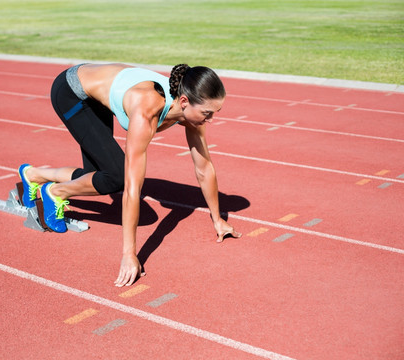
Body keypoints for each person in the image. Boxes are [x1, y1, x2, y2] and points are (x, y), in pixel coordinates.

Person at [18, 63, 241, 287]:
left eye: (215, 113)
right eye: (207, 113)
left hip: (97, 92)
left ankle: (34, 175)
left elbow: (204, 168)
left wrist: (218, 219)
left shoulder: (191, 111)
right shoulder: (146, 111)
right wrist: (129, 254)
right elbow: (132, 189)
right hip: (71, 92)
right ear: (184, 102)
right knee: (116, 176)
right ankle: (55, 192)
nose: (211, 120)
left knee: (94, 176)